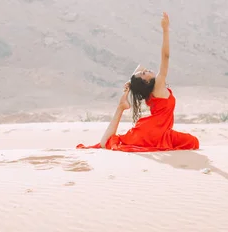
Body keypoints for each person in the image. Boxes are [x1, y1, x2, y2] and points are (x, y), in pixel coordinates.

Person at [77, 12, 200, 152]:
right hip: (152, 131)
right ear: (146, 82)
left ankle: (121, 107)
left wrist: (131, 84)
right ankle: (120, 108)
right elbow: (165, 57)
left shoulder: (150, 90)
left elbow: (140, 68)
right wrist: (165, 30)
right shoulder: (158, 86)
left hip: (161, 131)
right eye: (144, 73)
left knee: (193, 141)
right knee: (108, 143)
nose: (145, 70)